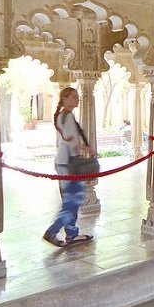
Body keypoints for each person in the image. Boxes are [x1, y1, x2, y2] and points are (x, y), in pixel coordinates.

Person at [43, 86, 94, 248]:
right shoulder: (67, 117)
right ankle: (53, 231)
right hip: (69, 164)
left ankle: (72, 234)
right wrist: (86, 149)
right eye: (73, 97)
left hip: (65, 162)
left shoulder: (63, 116)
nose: (76, 99)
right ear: (64, 99)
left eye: (77, 96)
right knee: (72, 201)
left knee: (73, 199)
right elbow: (71, 141)